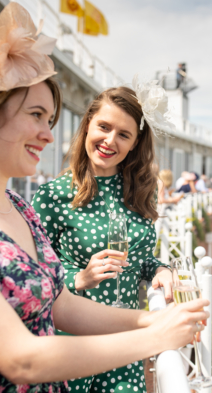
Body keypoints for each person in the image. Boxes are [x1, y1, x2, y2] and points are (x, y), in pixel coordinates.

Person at [0, 3, 208, 392]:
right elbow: (21, 359)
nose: (49, 135)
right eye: (36, 115)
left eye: (50, 119)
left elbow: (63, 306)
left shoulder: (18, 208)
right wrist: (157, 337)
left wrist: (156, 319)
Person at [32, 80, 180, 390]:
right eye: (104, 127)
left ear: (135, 143)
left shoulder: (142, 193)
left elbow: (140, 259)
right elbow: (35, 275)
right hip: (72, 345)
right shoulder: (52, 196)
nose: (110, 140)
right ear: (87, 126)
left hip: (124, 345)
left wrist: (161, 269)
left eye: (123, 134)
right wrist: (79, 277)